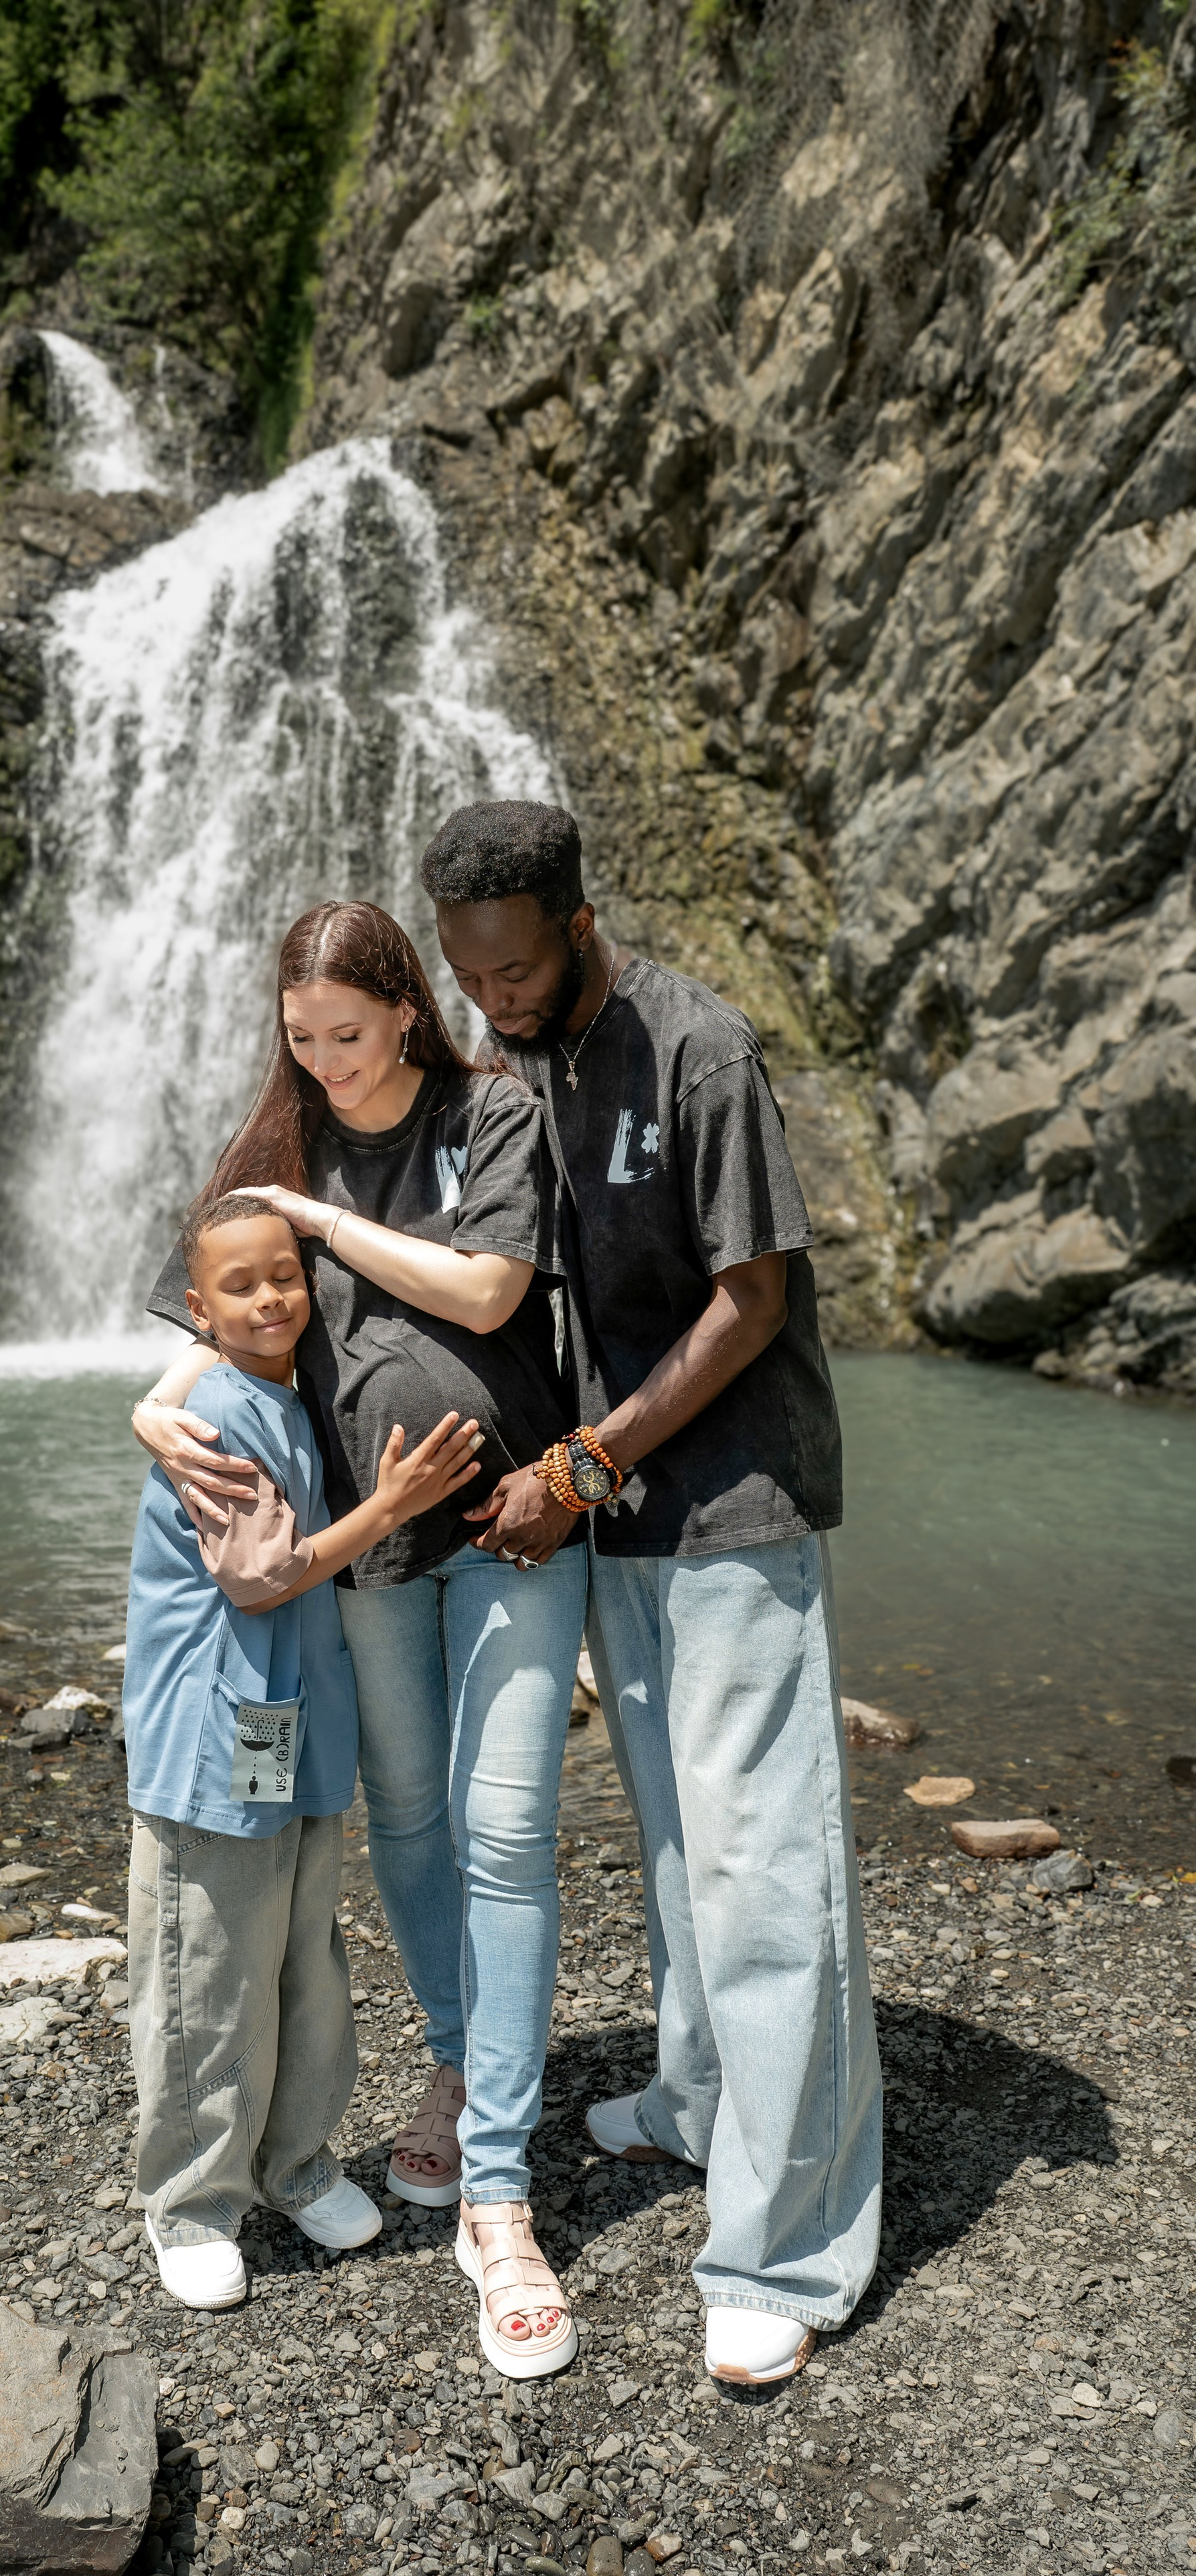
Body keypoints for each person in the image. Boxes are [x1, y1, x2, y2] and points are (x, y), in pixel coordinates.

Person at [418, 799, 881, 2391]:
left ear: (575, 919)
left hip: (730, 1507)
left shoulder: (699, 1051)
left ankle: (785, 2247)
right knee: (682, 1855)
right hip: (612, 1519)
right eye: (468, 976)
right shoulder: (523, 1058)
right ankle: (696, 2102)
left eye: (516, 968)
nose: (493, 998)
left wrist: (583, 1466)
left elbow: (751, 1302)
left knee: (766, 1877)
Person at [132, 900, 587, 2377]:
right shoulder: (275, 1138)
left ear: (406, 1006)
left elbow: (490, 1290)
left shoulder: (490, 1112)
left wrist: (325, 1220)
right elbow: (208, 1314)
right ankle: (456, 2067)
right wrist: (152, 1398)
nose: (321, 1061)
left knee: (507, 1830)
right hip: (371, 1550)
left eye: (347, 1030)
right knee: (402, 1818)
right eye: (299, 1037)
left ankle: (498, 2177)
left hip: (508, 1527)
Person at [123, 1190, 483, 2312]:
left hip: (280, 1722)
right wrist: (392, 1506)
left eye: (285, 1275)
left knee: (300, 1953)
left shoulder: (283, 1390)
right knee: (208, 1964)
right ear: (199, 1307)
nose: (271, 1297)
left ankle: (293, 2164)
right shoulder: (219, 1417)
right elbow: (260, 1574)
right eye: (241, 1285)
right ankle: (190, 2202)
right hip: (215, 1724)